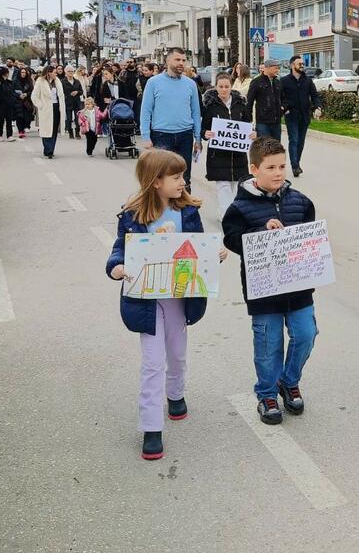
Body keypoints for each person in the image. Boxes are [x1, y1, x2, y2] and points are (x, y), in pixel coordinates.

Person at [105, 149, 227, 460]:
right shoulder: (132, 217)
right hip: (146, 301)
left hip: (179, 297)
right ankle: (151, 427)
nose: (183, 182)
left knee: (176, 353)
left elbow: (198, 248)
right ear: (155, 181)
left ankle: (175, 394)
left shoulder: (187, 212)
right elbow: (120, 249)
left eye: (182, 176)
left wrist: (214, 253)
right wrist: (116, 267)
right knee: (152, 362)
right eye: (176, 177)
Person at [222, 137, 317, 426]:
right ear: (254, 169)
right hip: (263, 291)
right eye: (271, 167)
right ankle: (266, 393)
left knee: (306, 334)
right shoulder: (239, 207)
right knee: (268, 344)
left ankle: (289, 381)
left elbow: (310, 237)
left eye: (282, 166)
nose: (278, 173)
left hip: (298, 287)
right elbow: (232, 239)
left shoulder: (300, 201)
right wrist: (261, 231)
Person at [140, 47, 202, 192]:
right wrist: (145, 136)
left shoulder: (191, 84)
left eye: (184, 60)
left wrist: (197, 139)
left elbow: (195, 112)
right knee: (161, 177)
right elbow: (146, 110)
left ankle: (185, 212)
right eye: (177, 59)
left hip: (185, 136)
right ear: (168, 61)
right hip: (161, 136)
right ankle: (162, 210)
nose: (181, 63)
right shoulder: (153, 82)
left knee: (184, 177)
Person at [202, 72, 254, 218]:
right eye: (221, 87)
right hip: (218, 156)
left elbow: (248, 124)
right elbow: (203, 128)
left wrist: (252, 134)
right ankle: (226, 217)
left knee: (238, 187)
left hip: (238, 156)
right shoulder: (210, 106)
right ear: (216, 87)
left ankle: (234, 214)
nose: (224, 90)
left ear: (231, 86)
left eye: (227, 86)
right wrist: (205, 133)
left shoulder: (240, 105)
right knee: (223, 187)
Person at [280, 55, 322, 177]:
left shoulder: (308, 81)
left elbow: (315, 96)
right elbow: (281, 98)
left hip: (304, 116)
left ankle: (296, 162)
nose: (302, 66)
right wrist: (284, 109)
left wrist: (317, 107)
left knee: (301, 142)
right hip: (291, 115)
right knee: (294, 140)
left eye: (303, 64)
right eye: (299, 64)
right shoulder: (284, 81)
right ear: (292, 65)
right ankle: (295, 166)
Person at [31, 64, 67, 158]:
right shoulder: (40, 81)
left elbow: (61, 96)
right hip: (46, 109)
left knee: (54, 129)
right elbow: (34, 96)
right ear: (49, 73)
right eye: (54, 72)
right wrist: (40, 106)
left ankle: (51, 149)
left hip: (56, 108)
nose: (56, 74)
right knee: (46, 129)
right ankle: (48, 149)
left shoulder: (57, 81)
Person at [247, 58, 283, 141]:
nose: (277, 70)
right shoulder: (256, 82)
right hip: (262, 123)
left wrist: (283, 108)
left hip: (276, 122)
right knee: (264, 148)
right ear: (267, 68)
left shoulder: (277, 82)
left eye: (278, 68)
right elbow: (249, 102)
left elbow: (283, 98)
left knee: (276, 149)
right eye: (276, 68)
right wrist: (249, 121)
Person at [62, 66, 84, 139]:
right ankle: (70, 133)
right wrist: (68, 94)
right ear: (66, 72)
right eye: (69, 71)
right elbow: (61, 93)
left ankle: (77, 133)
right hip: (67, 102)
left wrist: (77, 92)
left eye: (72, 71)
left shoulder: (77, 81)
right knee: (69, 118)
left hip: (76, 102)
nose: (71, 73)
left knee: (77, 118)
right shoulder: (63, 82)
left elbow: (81, 91)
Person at [15, 67, 35, 139]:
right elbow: (12, 91)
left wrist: (26, 94)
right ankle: (20, 131)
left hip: (27, 102)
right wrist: (18, 95)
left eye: (24, 72)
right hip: (18, 101)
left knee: (27, 117)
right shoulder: (15, 81)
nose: (23, 74)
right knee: (19, 117)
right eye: (22, 72)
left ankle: (25, 127)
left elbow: (32, 91)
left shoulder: (29, 81)